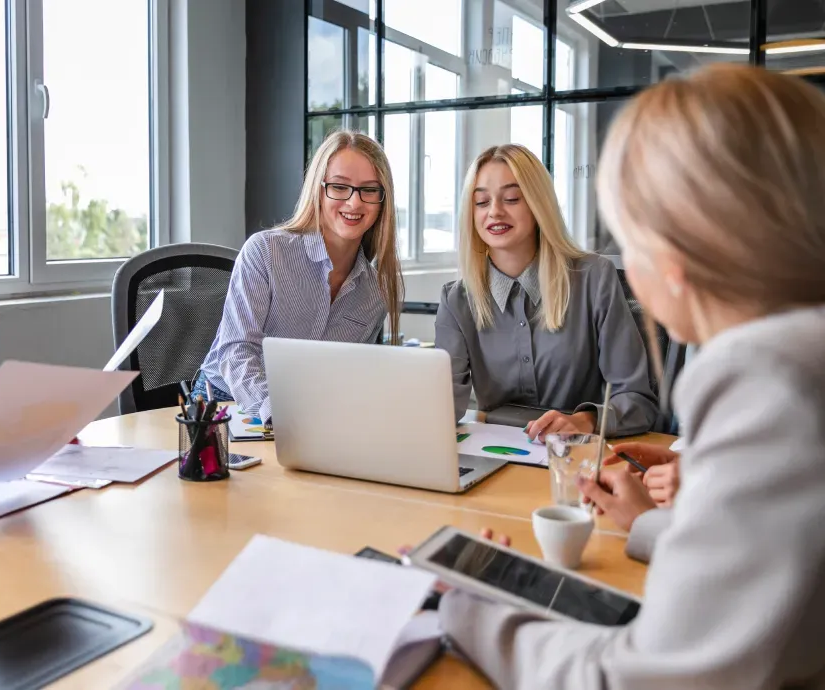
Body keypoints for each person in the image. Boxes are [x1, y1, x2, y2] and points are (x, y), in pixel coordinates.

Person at [438, 64, 825, 687]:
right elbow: (769, 558)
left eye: (630, 231)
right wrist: (656, 518)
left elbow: (643, 679)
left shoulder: (765, 379)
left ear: (684, 244)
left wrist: (471, 612)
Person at [434, 144, 657, 439]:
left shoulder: (593, 279)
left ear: (539, 204)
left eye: (512, 198)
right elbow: (440, 409)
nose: (495, 212)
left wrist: (586, 420)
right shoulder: (456, 300)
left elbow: (637, 400)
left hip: (576, 455)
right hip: (497, 455)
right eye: (482, 202)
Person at [193, 130, 402, 423]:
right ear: (318, 189)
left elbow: (348, 377)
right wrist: (278, 414)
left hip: (306, 415)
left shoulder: (375, 291)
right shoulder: (266, 251)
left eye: (369, 190)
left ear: (382, 201)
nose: (355, 203)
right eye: (340, 187)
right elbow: (237, 351)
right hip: (229, 404)